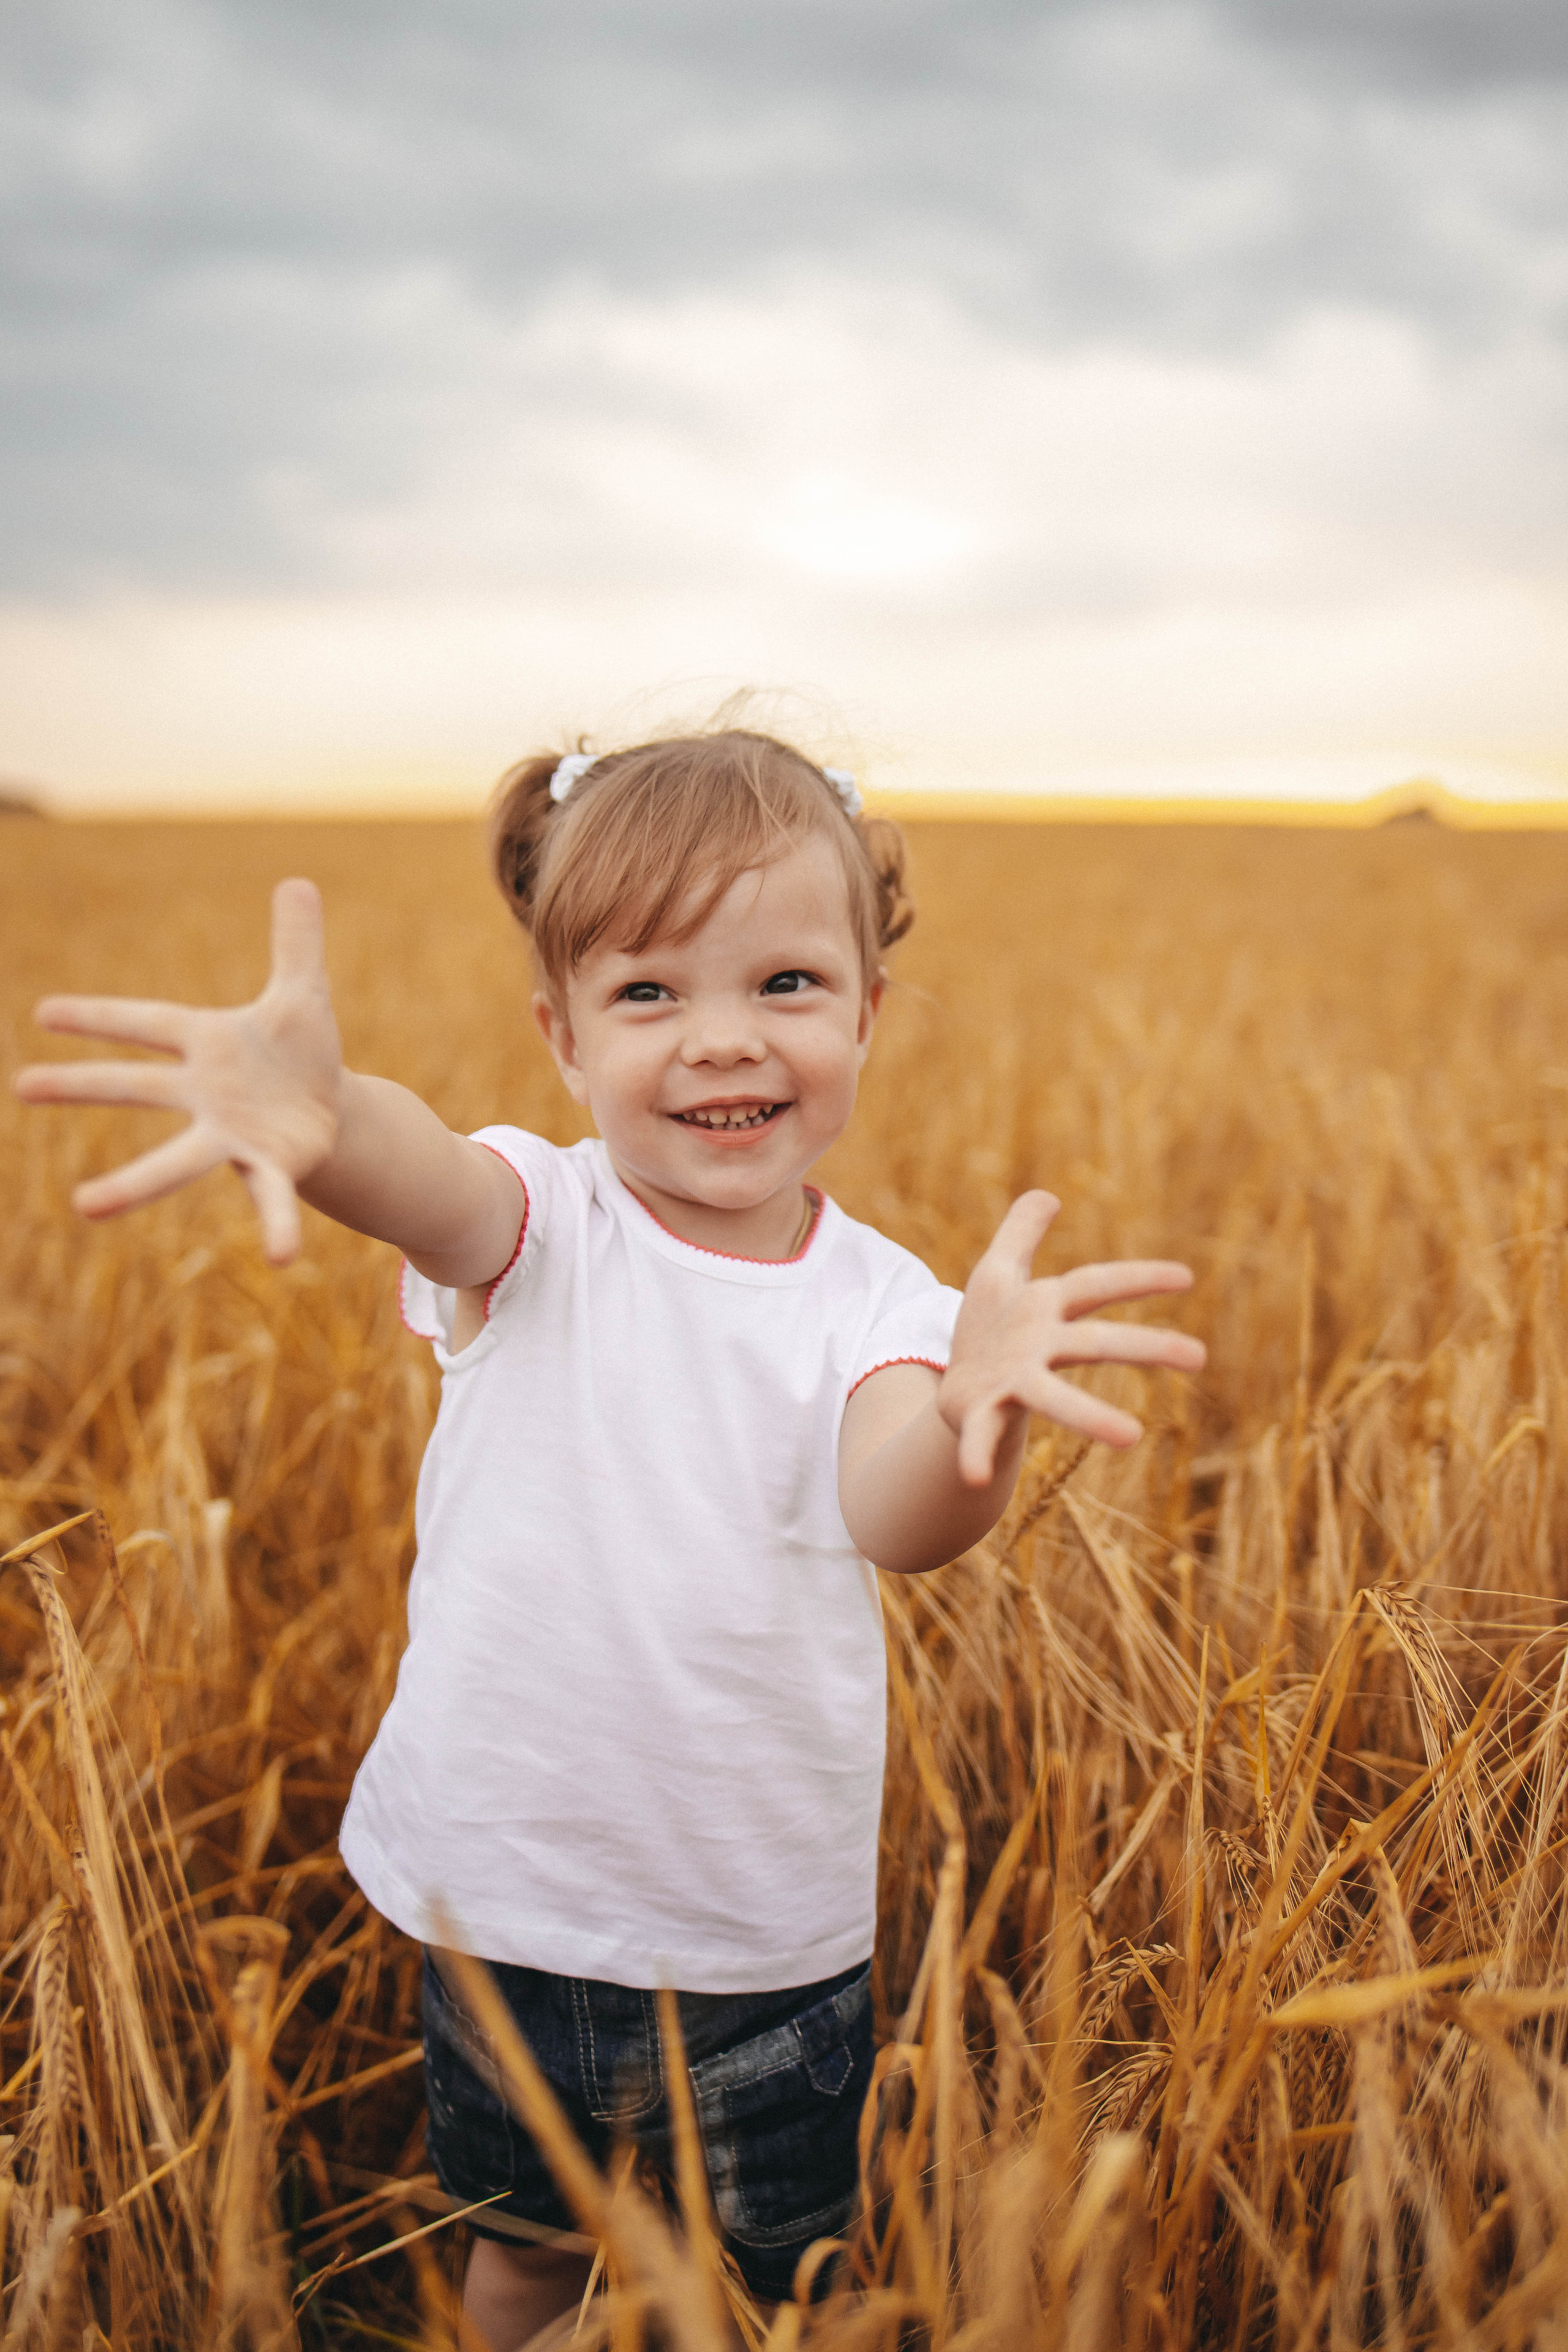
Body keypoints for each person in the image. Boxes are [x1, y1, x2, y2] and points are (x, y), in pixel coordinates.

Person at [15, 727, 1204, 2346]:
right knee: (524, 2258)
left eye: (787, 983)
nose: (725, 1038)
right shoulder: (541, 1223)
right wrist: (328, 1118)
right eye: (650, 993)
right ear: (561, 1038)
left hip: (762, 1935)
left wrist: (970, 1421)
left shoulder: (886, 1306)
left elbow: (895, 1512)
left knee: (783, 2289)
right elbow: (425, 1182)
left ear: (866, 1010)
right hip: (510, 1907)